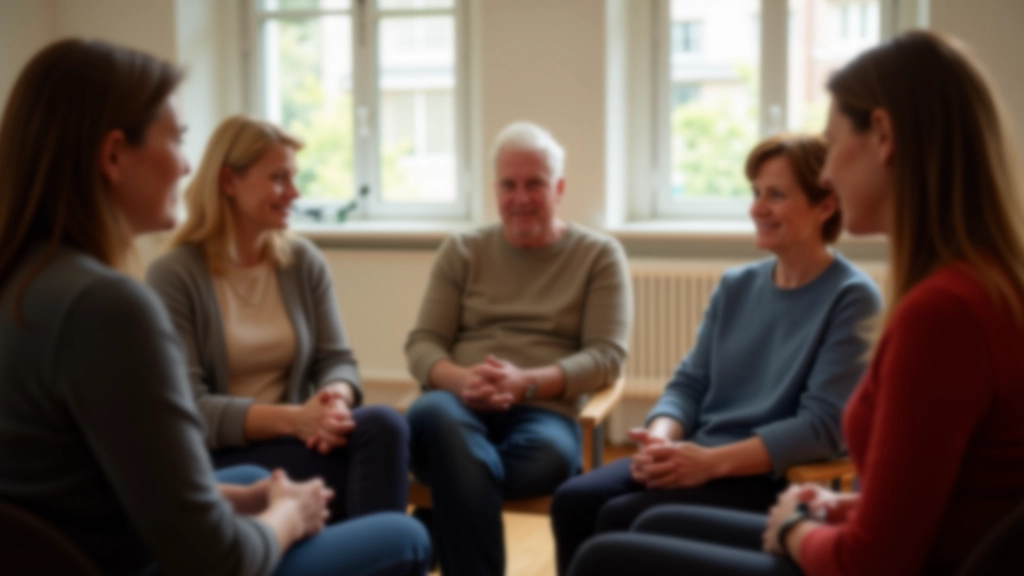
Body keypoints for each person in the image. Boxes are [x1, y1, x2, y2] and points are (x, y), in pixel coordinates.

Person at [566, 30, 1024, 576]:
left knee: (606, 557)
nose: (828, 171)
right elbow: (948, 500)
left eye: (831, 144)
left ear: (883, 136)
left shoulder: (940, 315)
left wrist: (793, 528)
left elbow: (872, 560)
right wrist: (844, 509)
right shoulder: (985, 288)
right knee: (639, 523)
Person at [0, 38, 430, 576]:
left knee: (261, 479)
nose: (185, 167)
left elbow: (112, 487)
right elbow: (218, 559)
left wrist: (253, 500)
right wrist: (288, 515)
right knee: (407, 534)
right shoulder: (107, 307)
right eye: (176, 141)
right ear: (113, 155)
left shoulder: (27, 282)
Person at [552, 133, 882, 574]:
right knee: (572, 500)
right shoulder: (736, 286)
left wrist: (710, 463)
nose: (757, 208)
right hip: (696, 454)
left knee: (620, 518)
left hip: (766, 474)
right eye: (756, 193)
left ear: (826, 205)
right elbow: (689, 384)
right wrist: (662, 438)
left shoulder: (853, 297)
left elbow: (822, 427)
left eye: (777, 195)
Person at [146, 115, 409, 522]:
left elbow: (336, 361)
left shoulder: (303, 262)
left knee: (387, 426)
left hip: (298, 439)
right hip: (219, 458)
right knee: (373, 464)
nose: (295, 192)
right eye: (279, 178)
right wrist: (296, 420)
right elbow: (190, 406)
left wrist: (333, 402)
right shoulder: (174, 275)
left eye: (294, 178)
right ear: (228, 182)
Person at [404, 121, 632, 576]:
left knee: (509, 460)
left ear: (560, 188)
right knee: (440, 428)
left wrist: (525, 382)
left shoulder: (599, 255)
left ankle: (443, 514)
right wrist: (462, 380)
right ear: (495, 190)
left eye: (535, 184)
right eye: (509, 185)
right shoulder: (462, 251)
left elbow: (606, 356)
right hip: (454, 405)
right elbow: (422, 343)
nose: (521, 198)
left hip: (544, 412)